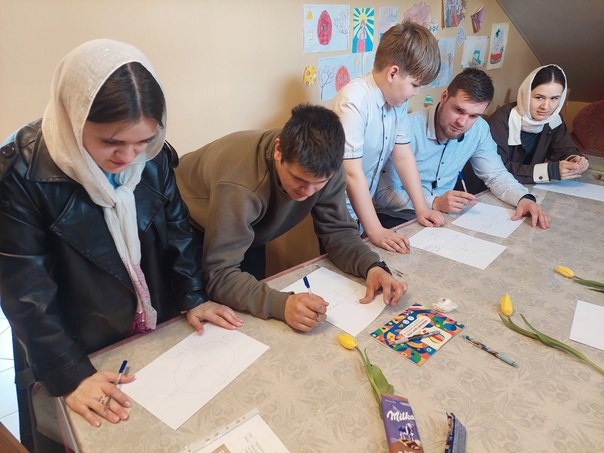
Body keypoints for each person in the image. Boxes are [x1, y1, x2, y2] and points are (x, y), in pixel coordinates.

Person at [0, 39, 242, 451]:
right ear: (73, 118)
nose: (129, 156)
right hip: (71, 340)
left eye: (142, 141)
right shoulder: (21, 173)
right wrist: (69, 373)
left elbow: (177, 231)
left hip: (145, 324)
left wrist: (193, 297)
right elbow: (27, 294)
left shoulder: (153, 156)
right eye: (112, 142)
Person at [175, 104, 406, 333]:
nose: (307, 192)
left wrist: (372, 267)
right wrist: (282, 304)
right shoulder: (241, 186)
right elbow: (220, 275)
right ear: (278, 151)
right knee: (216, 319)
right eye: (299, 179)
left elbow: (338, 232)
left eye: (318, 184)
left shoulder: (328, 169)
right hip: (186, 225)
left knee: (251, 305)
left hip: (247, 226)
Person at [374, 68, 550, 229]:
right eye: (458, 110)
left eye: (473, 116)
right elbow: (383, 194)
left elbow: (496, 175)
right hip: (397, 218)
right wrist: (434, 202)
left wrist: (523, 198)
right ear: (444, 96)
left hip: (443, 217)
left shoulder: (479, 129)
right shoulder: (407, 128)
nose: (462, 122)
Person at [332, 22, 445, 255]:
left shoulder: (396, 102)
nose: (416, 92)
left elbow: (403, 156)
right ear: (393, 73)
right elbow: (351, 173)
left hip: (364, 205)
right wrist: (375, 230)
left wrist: (421, 207)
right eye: (415, 84)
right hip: (338, 210)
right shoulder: (354, 101)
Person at [487, 64, 589, 183]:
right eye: (539, 97)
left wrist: (574, 159)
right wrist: (549, 171)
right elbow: (496, 170)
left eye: (554, 98)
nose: (546, 107)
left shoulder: (553, 119)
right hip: (491, 187)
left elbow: (564, 149)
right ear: (526, 94)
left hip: (529, 186)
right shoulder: (500, 121)